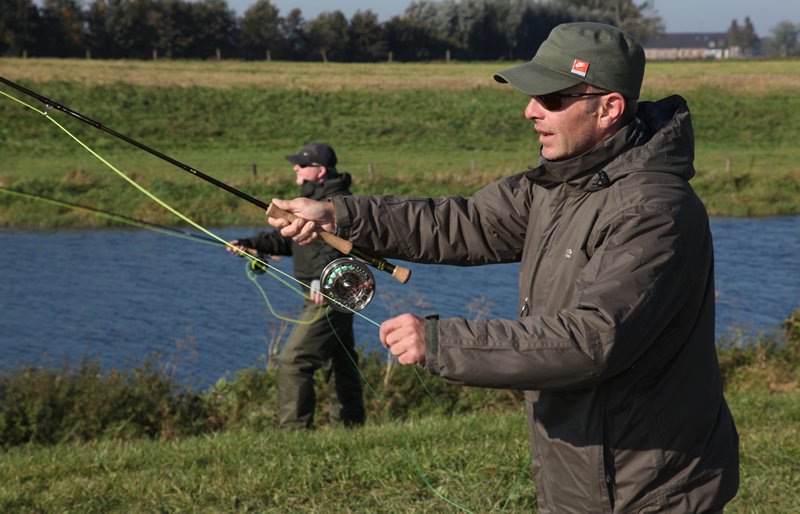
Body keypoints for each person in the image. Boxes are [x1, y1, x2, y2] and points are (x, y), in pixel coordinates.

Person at [267, 23, 739, 513]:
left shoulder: (654, 209)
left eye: (551, 98)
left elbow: (593, 340)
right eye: (532, 95)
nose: (530, 110)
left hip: (648, 490)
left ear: (609, 108)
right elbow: (461, 221)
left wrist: (442, 343)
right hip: (582, 475)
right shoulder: (558, 185)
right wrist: (340, 215)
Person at [228, 142, 365, 429]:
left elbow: (338, 248)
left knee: (293, 360)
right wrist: (251, 244)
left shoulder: (338, 203)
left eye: (302, 165)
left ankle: (294, 431)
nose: (295, 168)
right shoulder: (311, 201)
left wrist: (321, 277)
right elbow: (287, 240)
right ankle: (351, 428)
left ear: (320, 171)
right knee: (339, 361)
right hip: (320, 292)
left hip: (329, 294)